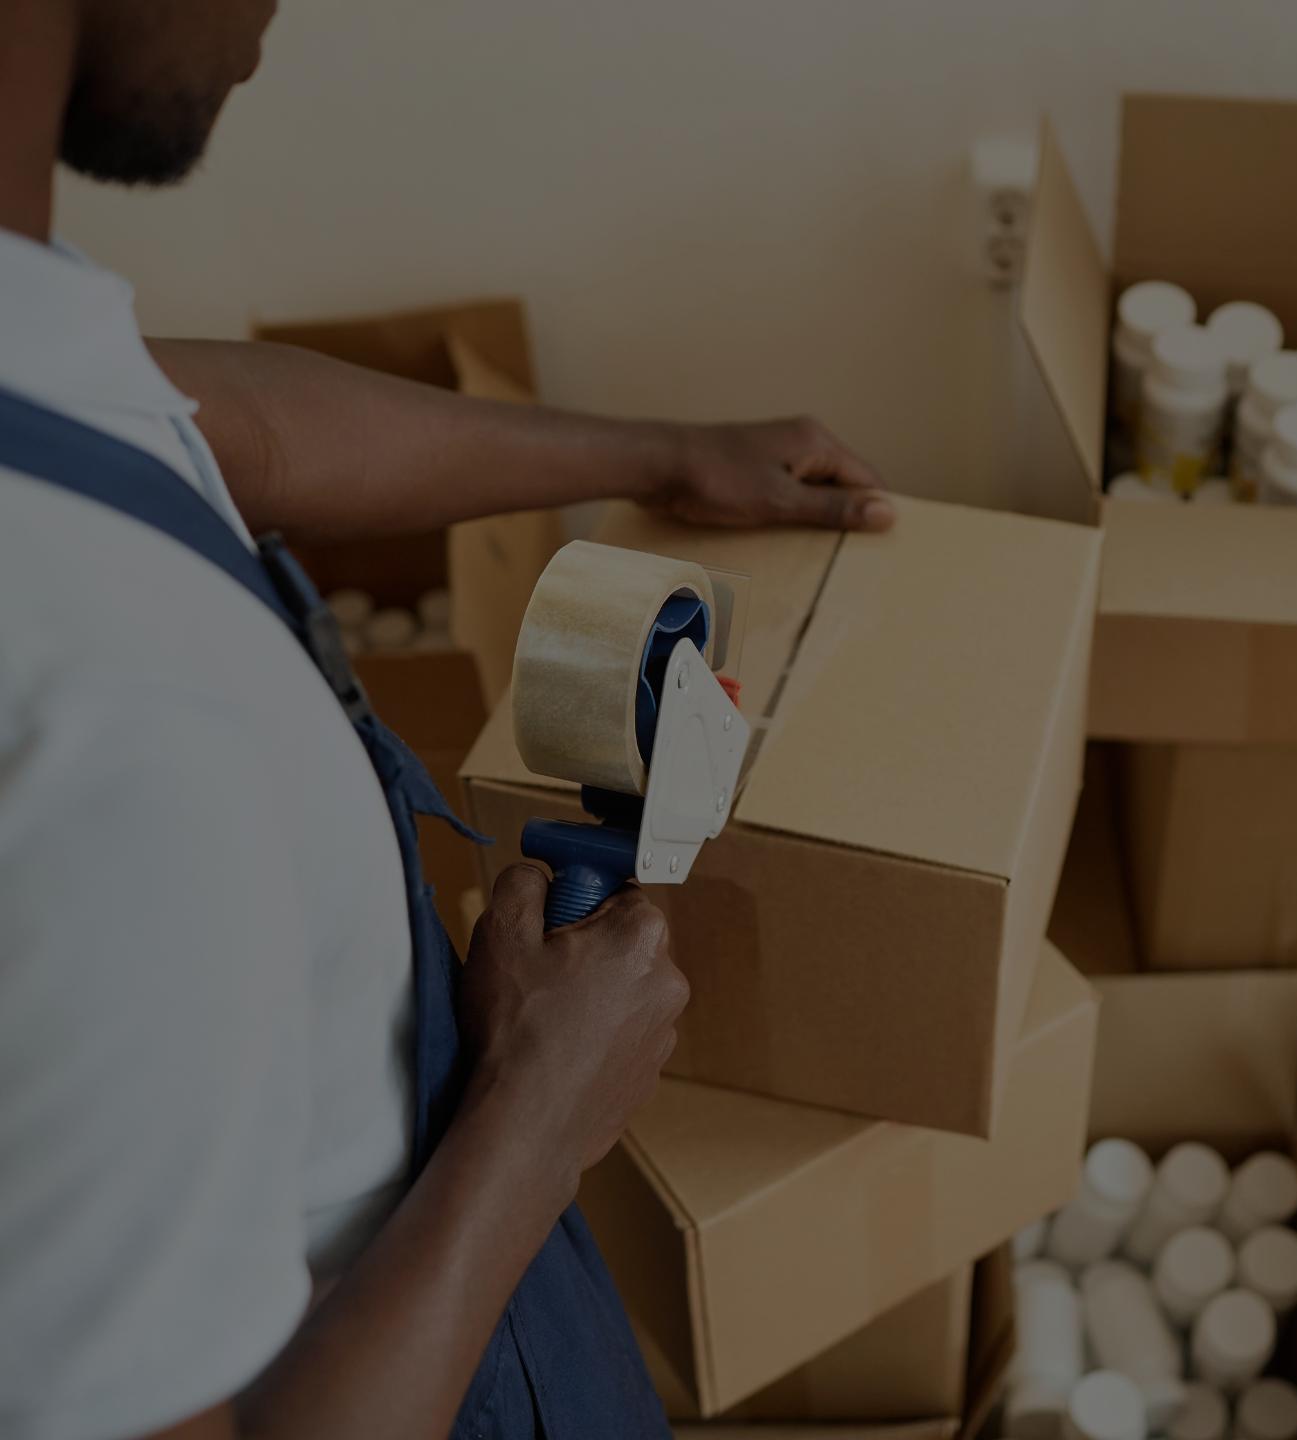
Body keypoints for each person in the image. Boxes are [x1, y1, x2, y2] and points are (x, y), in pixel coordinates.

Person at [0, 3, 892, 1437]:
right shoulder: (109, 724)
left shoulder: (27, 346)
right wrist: (537, 1116)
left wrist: (662, 451)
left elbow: (219, 425)